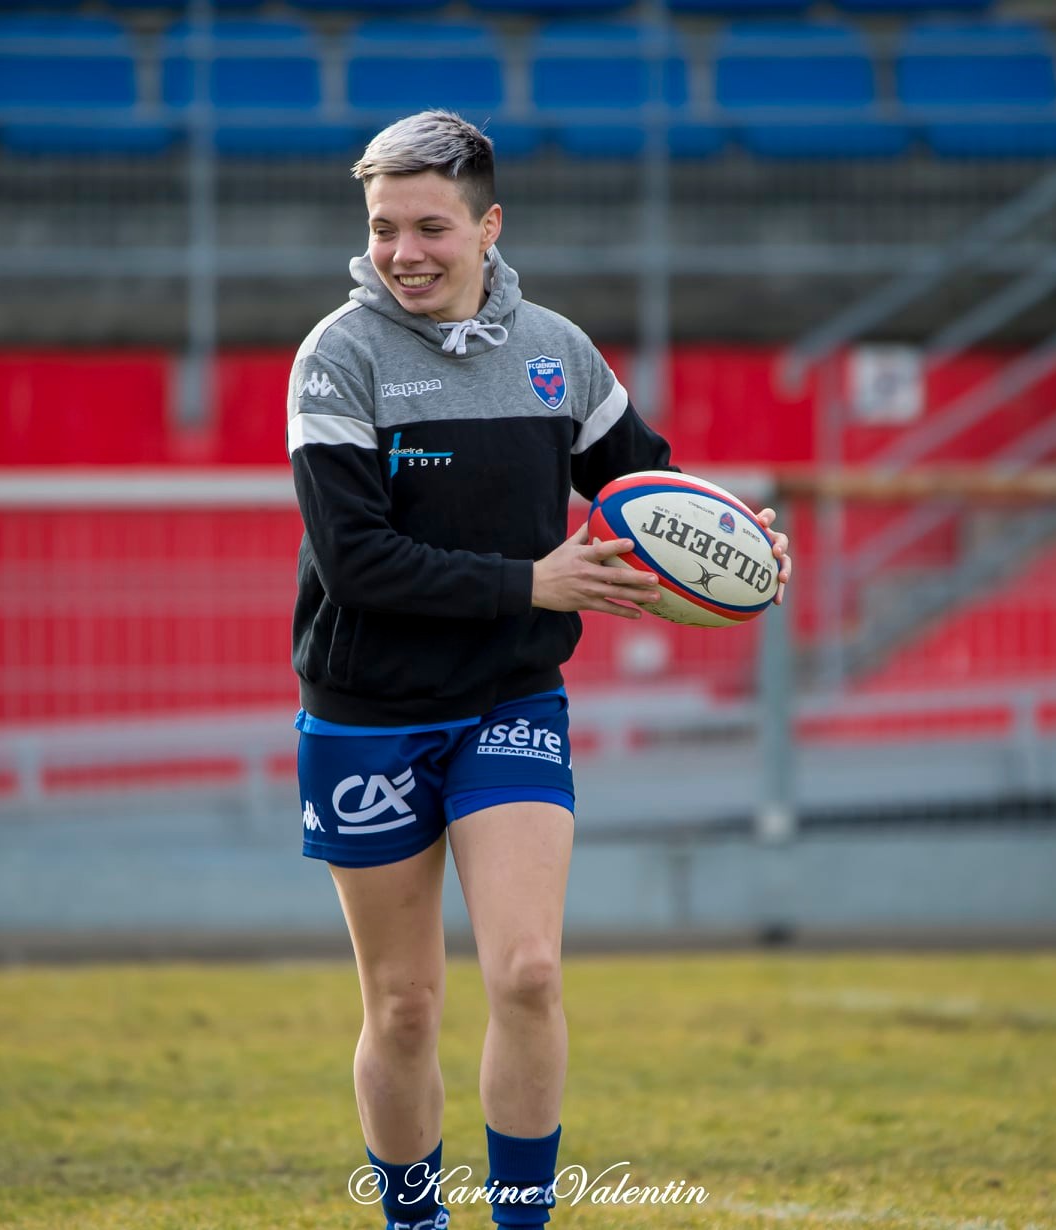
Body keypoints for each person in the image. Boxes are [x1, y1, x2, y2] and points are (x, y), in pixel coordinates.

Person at [286, 110, 791, 1230]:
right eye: (382, 229)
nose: (403, 253)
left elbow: (649, 488)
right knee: (406, 1004)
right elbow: (358, 562)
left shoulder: (557, 351)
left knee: (526, 974)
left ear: (488, 225)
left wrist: (740, 543)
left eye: (430, 228)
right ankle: (415, 1217)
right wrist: (533, 583)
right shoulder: (338, 357)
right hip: (368, 714)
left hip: (510, 698)